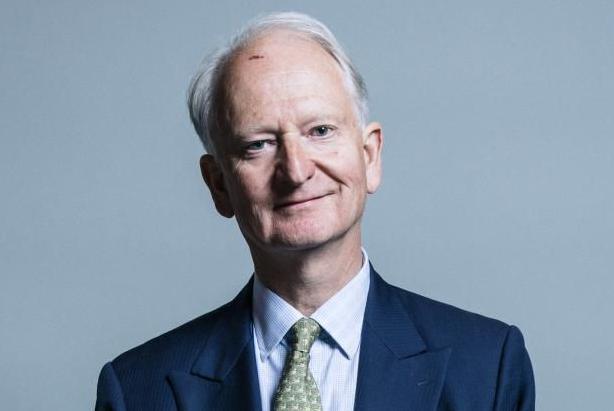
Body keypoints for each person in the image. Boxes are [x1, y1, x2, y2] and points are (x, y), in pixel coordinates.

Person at [95, 12, 535, 411]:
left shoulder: (487, 369)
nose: (297, 170)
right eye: (258, 145)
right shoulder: (137, 390)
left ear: (370, 156)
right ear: (218, 185)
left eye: (320, 131)